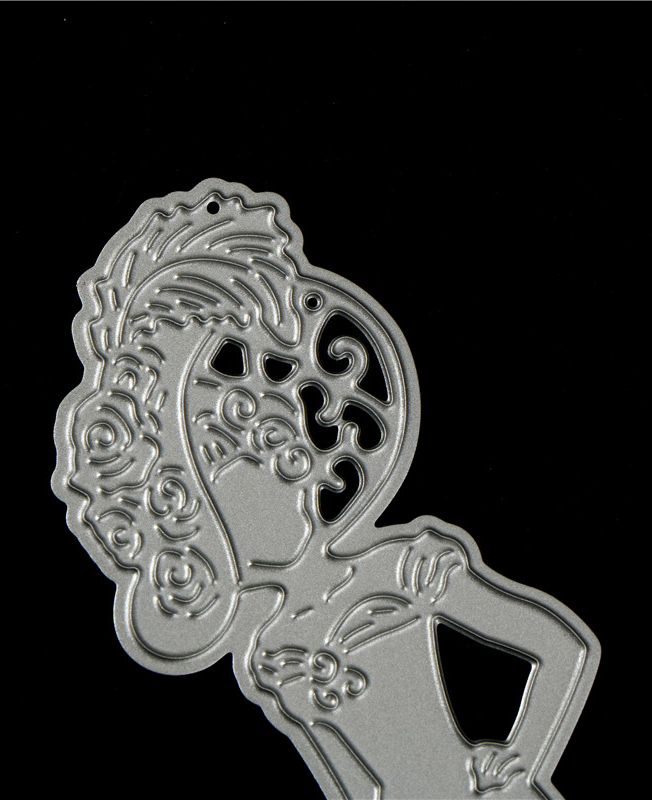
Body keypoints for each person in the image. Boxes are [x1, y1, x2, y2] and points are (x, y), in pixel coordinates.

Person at [53, 179, 599, 799]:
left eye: (279, 468)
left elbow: (559, 648)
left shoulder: (404, 569)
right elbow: (344, 782)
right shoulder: (273, 651)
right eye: (220, 504)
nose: (286, 489)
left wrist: (518, 763)